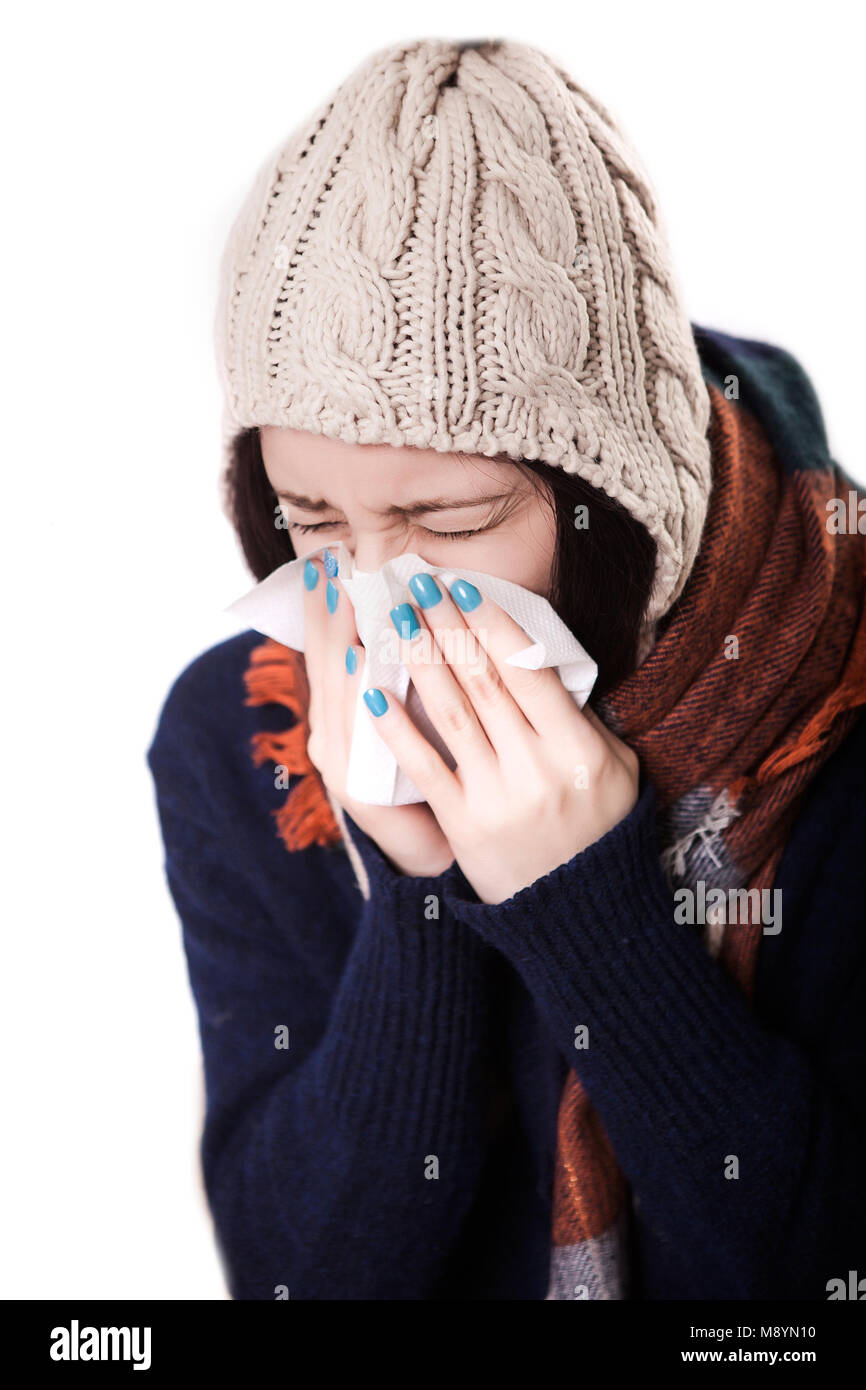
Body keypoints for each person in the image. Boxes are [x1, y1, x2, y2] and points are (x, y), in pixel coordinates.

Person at [146, 37, 866, 1300]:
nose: (376, 590)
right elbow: (295, 1281)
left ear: (617, 502)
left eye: (454, 522)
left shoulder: (843, 701)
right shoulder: (245, 736)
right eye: (311, 519)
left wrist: (588, 912)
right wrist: (416, 897)